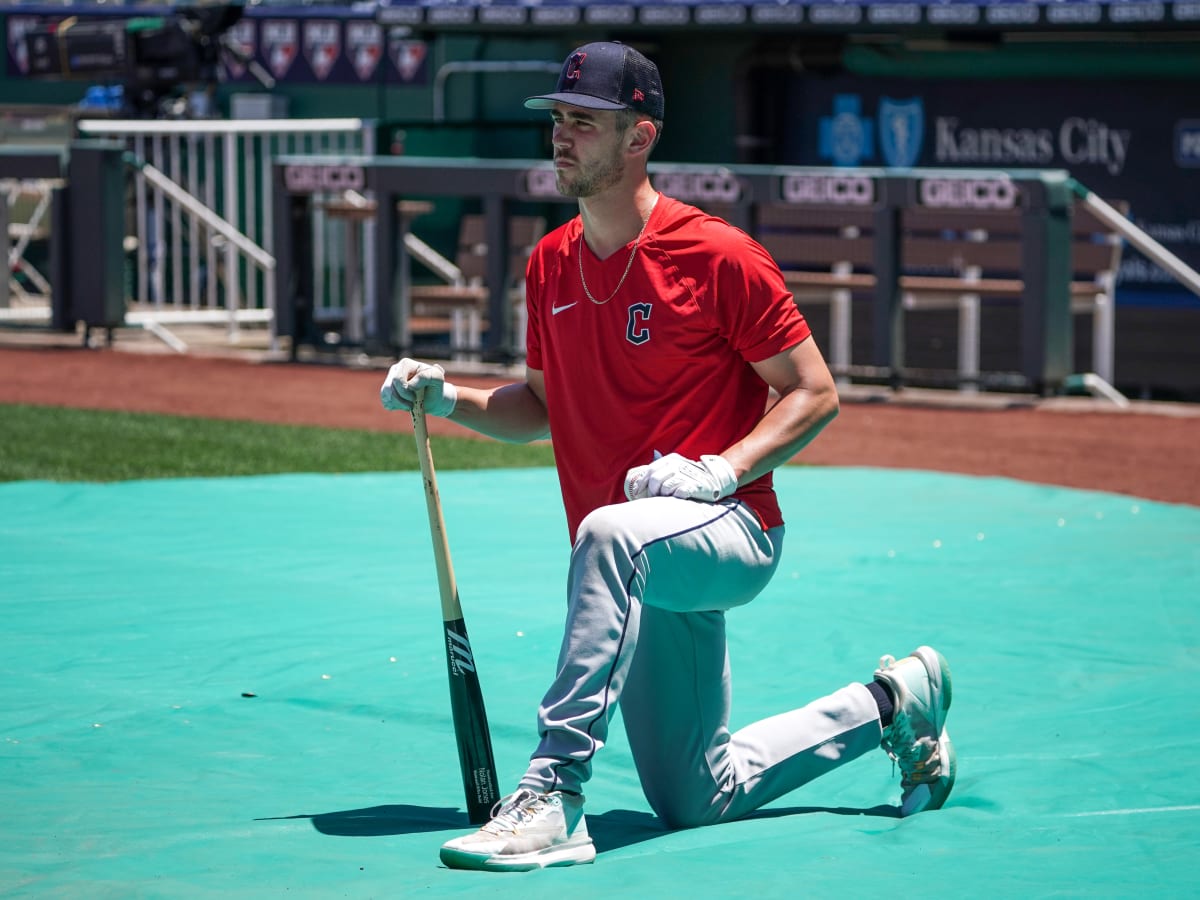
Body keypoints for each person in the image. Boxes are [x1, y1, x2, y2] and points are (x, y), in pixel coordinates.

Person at [380, 40, 955, 872]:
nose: (562, 136)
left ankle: (556, 789)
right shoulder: (549, 265)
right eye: (558, 119)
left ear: (639, 138)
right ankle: (896, 701)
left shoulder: (717, 254)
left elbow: (814, 391)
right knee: (695, 795)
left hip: (731, 531)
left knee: (610, 534)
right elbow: (539, 405)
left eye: (586, 121)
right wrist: (448, 398)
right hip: (640, 566)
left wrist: (723, 468)